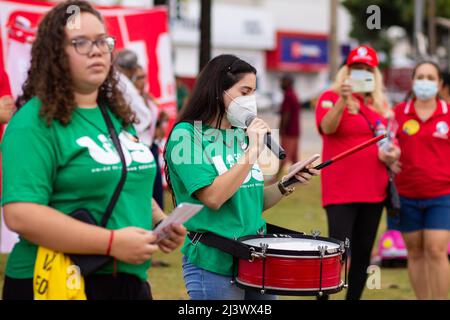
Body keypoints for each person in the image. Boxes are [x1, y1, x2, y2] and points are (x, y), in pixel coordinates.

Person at [1, 0, 186, 300]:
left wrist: (158, 221)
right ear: (55, 54)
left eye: (102, 41)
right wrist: (111, 242)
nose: (97, 50)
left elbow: (126, 178)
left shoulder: (113, 115)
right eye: (80, 42)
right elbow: (21, 215)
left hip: (127, 281)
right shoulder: (33, 123)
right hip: (56, 281)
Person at [164, 54, 319, 300]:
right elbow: (214, 197)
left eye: (253, 93)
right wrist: (253, 151)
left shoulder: (241, 135)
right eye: (244, 91)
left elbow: (251, 201)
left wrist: (287, 182)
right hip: (214, 264)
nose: (250, 101)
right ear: (218, 90)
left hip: (256, 259)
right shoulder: (186, 136)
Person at [315, 45, 400, 300]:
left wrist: (393, 154)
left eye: (367, 70)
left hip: (374, 189)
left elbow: (388, 142)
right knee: (336, 254)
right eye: (356, 69)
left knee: (363, 253)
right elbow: (327, 128)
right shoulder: (329, 97)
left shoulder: (380, 105)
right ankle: (323, 297)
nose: (362, 73)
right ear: (347, 70)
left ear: (374, 74)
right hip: (341, 190)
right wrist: (343, 99)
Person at [392, 61, 450, 300]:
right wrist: (388, 157)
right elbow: (386, 143)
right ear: (413, 80)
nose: (425, 82)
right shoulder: (398, 113)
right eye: (421, 77)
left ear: (439, 84)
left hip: (442, 194)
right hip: (406, 194)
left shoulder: (447, 113)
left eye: (430, 77)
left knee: (436, 250)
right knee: (415, 252)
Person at [274, 74, 301, 180]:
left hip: (289, 131)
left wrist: (281, 128)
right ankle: (298, 176)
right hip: (295, 130)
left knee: (283, 155)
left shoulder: (288, 95)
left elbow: (286, 114)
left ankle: (276, 177)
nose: (280, 84)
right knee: (294, 156)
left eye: (282, 82)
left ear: (287, 82)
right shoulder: (293, 94)